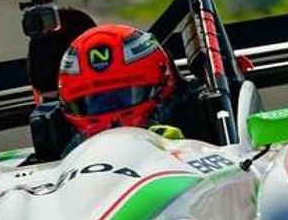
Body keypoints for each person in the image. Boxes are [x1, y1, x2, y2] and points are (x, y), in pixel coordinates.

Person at [57, 23, 189, 142]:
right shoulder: (72, 156)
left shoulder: (196, 127)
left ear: (160, 89)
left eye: (123, 96)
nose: (112, 112)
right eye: (97, 102)